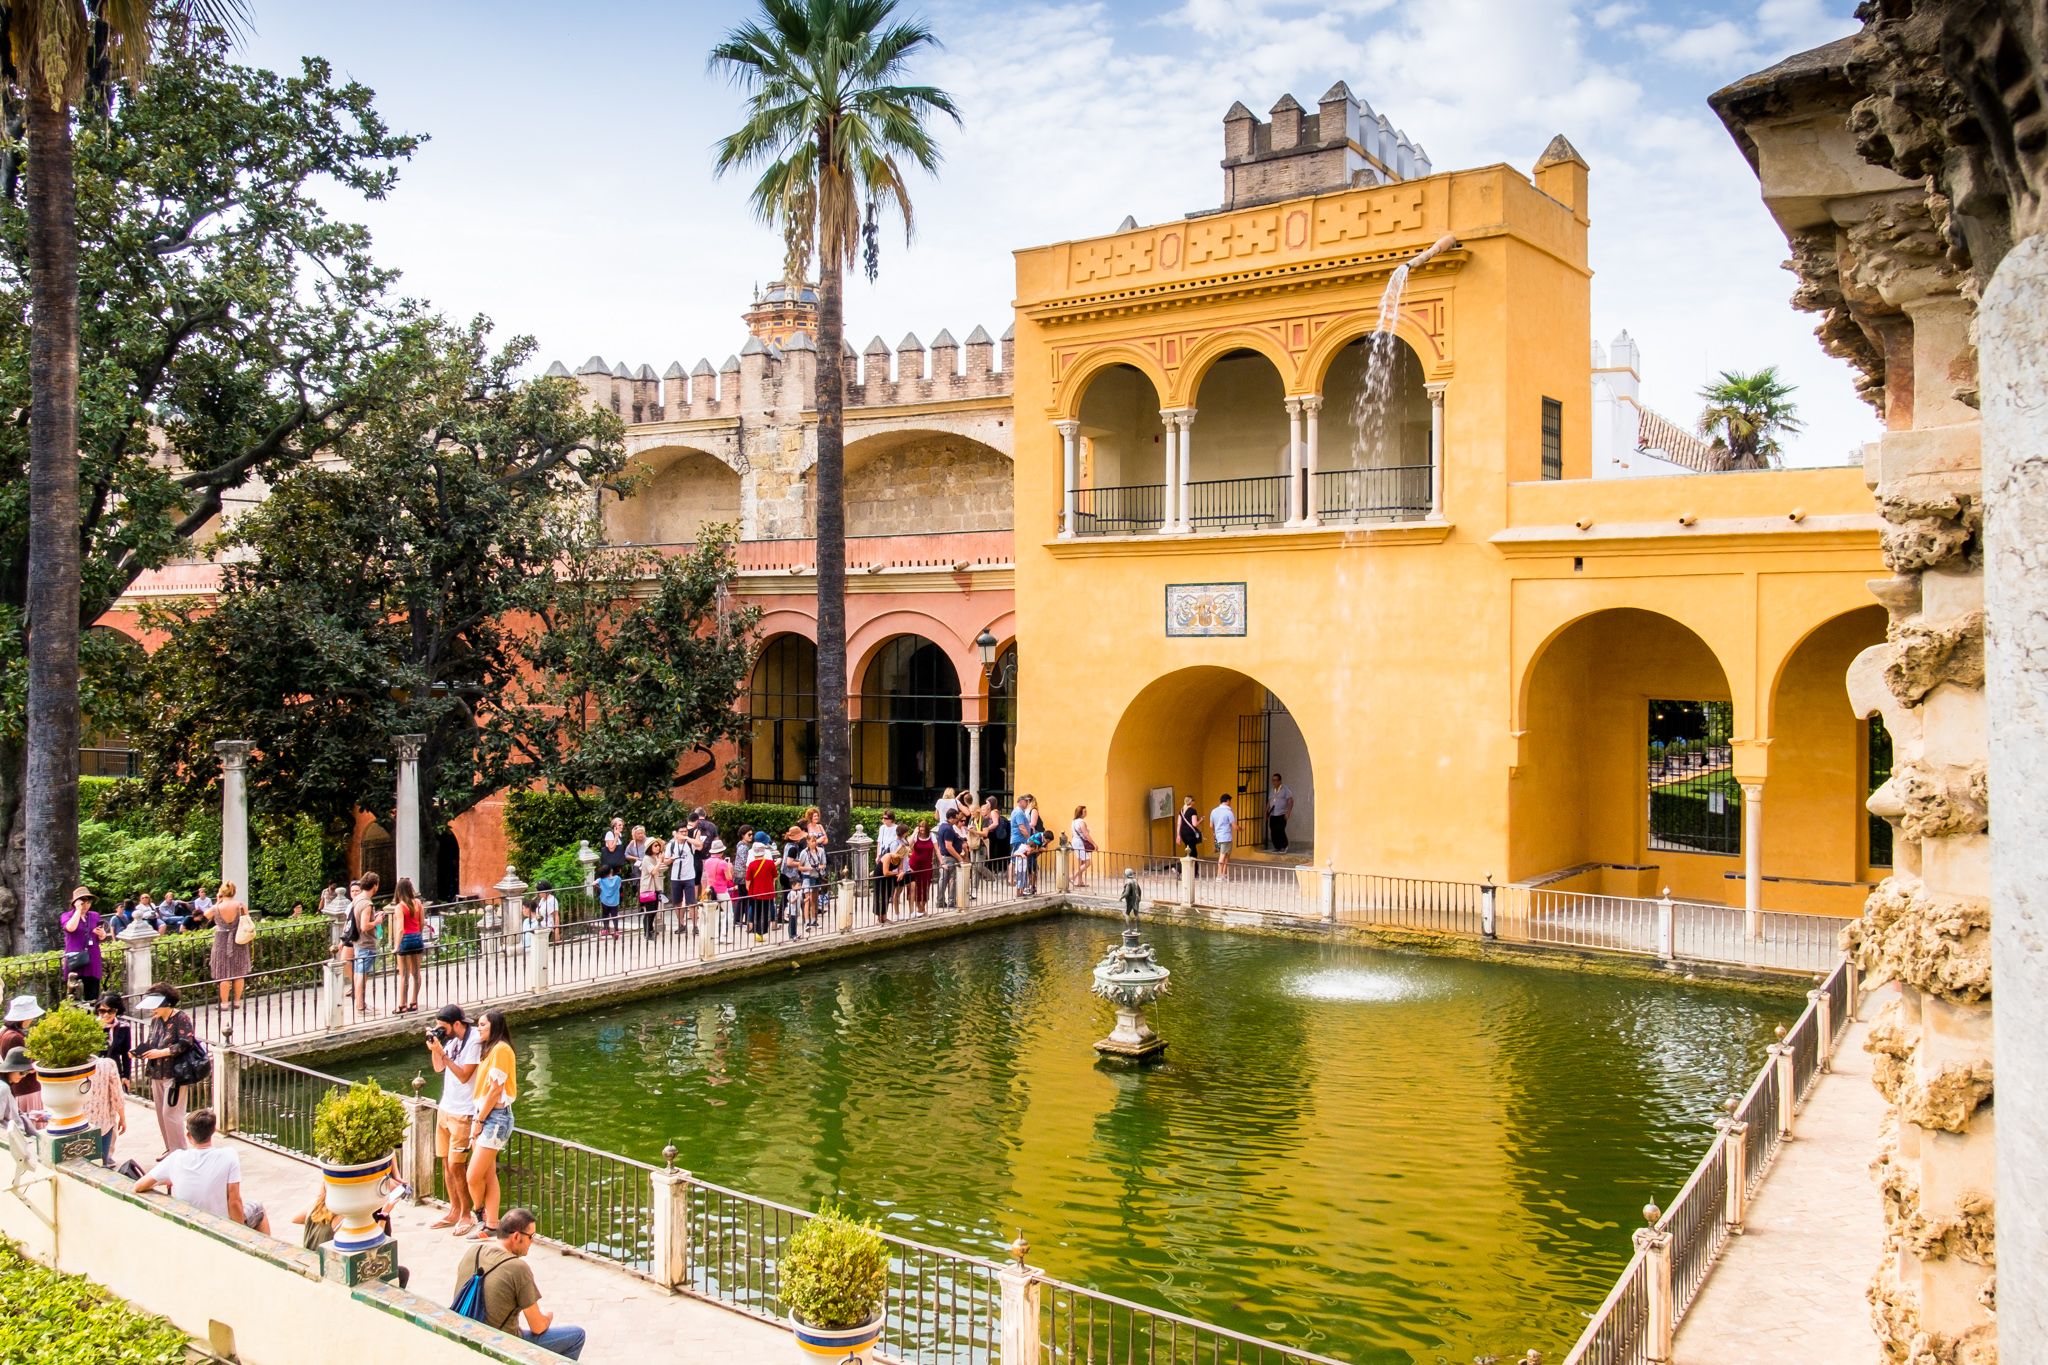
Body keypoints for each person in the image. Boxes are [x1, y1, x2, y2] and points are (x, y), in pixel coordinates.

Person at [452, 1208, 585, 1358]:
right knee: (577, 1336)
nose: (532, 1242)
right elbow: (538, 1327)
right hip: (501, 1347)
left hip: (466, 1333)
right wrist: (548, 1317)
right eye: (531, 1236)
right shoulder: (517, 1268)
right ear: (516, 1236)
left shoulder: (474, 1251)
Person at [134, 1108, 270, 1233]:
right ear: (213, 1130)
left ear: (188, 1135)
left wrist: (167, 1179)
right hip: (221, 1226)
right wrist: (239, 1234)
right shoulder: (229, 1155)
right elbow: (234, 1200)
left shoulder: (175, 1158)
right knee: (258, 1208)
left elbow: (139, 1186)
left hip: (190, 1224)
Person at [426, 1004, 484, 1235]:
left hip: (464, 1111)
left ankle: (467, 1214)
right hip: (446, 1108)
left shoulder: (474, 1041)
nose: (440, 1031)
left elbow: (464, 1075)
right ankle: (454, 1209)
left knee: (456, 1165)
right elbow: (439, 1068)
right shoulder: (450, 1040)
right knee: (445, 1163)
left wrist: (442, 1053)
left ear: (456, 1024)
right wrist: (435, 1049)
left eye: (443, 1027)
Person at [465, 1009, 517, 1239]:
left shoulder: (501, 1050)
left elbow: (496, 1089)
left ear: (494, 1026)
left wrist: (479, 1120)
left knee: (473, 1175)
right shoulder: (490, 1050)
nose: (479, 1029)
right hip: (487, 1115)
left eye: (483, 1025)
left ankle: (480, 1215)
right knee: (487, 1175)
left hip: (494, 1118)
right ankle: (492, 1224)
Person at [138, 986, 197, 1154]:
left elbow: (186, 1043)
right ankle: (170, 1148)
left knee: (171, 1113)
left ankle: (179, 1151)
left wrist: (162, 1053)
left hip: (175, 1073)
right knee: (161, 1114)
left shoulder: (181, 1018)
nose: (152, 1008)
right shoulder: (156, 1020)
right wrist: (139, 1052)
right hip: (156, 1072)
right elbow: (152, 1042)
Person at [208, 880, 253, 1011]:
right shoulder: (240, 905)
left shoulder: (217, 907)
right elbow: (247, 919)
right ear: (234, 892)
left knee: (224, 973)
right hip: (238, 939)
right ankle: (237, 1001)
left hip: (221, 940)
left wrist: (218, 901)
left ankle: (224, 1003)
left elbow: (206, 915)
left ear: (222, 892)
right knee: (239, 972)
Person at [388, 877, 426, 1014]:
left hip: (405, 939)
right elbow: (422, 923)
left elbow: (400, 929)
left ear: (398, 891)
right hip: (417, 937)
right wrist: (417, 934)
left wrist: (396, 946)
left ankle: (401, 1004)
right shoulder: (418, 903)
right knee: (416, 973)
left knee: (404, 974)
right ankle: (414, 1002)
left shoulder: (399, 907)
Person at [0, 997, 44, 1113]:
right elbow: (24, 1066)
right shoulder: (15, 1037)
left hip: (21, 1089)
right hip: (26, 1090)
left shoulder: (5, 1033)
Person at [61, 887, 105, 1002]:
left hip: (92, 957)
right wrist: (78, 911)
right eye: (83, 902)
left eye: (88, 902)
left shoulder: (94, 915)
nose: (86, 905)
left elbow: (99, 935)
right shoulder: (67, 916)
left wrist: (101, 934)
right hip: (76, 959)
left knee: (93, 994)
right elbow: (70, 928)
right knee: (75, 993)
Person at [350, 873, 382, 1014]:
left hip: (358, 942)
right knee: (362, 975)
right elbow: (364, 926)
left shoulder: (357, 900)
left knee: (358, 973)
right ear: (375, 885)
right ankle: (361, 1007)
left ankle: (361, 1004)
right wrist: (376, 922)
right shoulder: (367, 903)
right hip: (366, 943)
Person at [743, 833, 778, 941]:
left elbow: (748, 880)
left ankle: (756, 931)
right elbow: (775, 877)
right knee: (766, 911)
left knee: (756, 911)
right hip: (767, 891)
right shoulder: (770, 863)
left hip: (755, 892)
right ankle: (762, 931)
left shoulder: (752, 865)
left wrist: (749, 889)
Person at [935, 809, 967, 910]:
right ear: (952, 817)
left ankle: (940, 901)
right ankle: (951, 901)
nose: (957, 820)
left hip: (944, 857)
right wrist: (959, 858)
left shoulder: (942, 826)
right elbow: (948, 846)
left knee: (943, 880)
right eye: (957, 818)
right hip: (950, 858)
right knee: (952, 880)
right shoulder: (948, 829)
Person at [97, 992, 134, 1081]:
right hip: (95, 1072)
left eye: (111, 1011)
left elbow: (126, 1053)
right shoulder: (91, 1027)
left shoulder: (123, 1027)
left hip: (114, 1071)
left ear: (117, 1011)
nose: (106, 1015)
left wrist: (126, 1076)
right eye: (102, 1011)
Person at [905, 821, 936, 916]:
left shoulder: (932, 835)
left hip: (927, 865)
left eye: (923, 829)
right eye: (920, 828)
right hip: (915, 865)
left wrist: (942, 862)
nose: (921, 831)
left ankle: (922, 908)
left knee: (925, 886)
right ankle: (918, 909)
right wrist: (914, 833)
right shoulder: (916, 835)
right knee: (915, 887)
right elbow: (908, 845)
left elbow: (937, 850)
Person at [637, 838, 665, 940]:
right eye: (655, 846)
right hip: (648, 888)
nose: (658, 848)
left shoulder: (654, 857)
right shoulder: (647, 858)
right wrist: (659, 862)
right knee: (649, 912)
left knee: (654, 910)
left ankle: (651, 929)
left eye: (658, 846)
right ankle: (647, 932)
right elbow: (653, 871)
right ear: (650, 848)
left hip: (655, 887)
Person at [1210, 793, 1237, 880]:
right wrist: (1241, 829)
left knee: (1225, 855)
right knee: (1223, 856)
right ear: (1228, 801)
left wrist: (1214, 833)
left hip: (1218, 837)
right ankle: (1219, 875)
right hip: (1226, 837)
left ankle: (1224, 874)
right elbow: (1234, 826)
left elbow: (1211, 825)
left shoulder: (1213, 811)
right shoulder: (1228, 812)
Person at [527, 881, 561, 947]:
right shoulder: (542, 900)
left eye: (540, 891)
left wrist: (557, 931)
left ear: (547, 891)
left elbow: (556, 916)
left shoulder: (552, 900)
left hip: (547, 927)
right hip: (540, 925)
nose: (539, 893)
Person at [1268, 773, 1295, 854]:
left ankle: (1284, 846)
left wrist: (1288, 812)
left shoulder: (1285, 789)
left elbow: (1290, 801)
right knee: (1273, 831)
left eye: (1276, 780)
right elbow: (1269, 801)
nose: (1274, 782)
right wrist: (1266, 812)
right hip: (1273, 814)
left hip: (1281, 813)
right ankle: (1277, 847)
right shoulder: (1272, 790)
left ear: (1280, 781)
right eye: (1273, 780)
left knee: (1280, 830)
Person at [1071, 805, 1096, 888]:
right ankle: (1072, 877)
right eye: (1084, 811)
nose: (1086, 813)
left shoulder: (1073, 822)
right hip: (1080, 843)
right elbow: (1086, 834)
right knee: (1088, 862)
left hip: (1075, 841)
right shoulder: (1081, 822)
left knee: (1081, 862)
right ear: (1080, 813)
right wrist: (1094, 844)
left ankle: (1079, 881)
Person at [595, 864, 623, 939]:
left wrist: (597, 886)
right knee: (615, 916)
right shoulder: (617, 878)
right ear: (611, 871)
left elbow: (594, 883)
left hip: (605, 901)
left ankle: (606, 929)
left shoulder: (601, 880)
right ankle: (616, 930)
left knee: (605, 915)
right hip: (614, 901)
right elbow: (620, 886)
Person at [1176, 796, 1203, 860]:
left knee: (1189, 849)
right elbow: (1194, 824)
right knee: (1192, 851)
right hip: (1190, 833)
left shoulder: (1181, 811)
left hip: (1183, 833)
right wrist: (1201, 820)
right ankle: (1182, 868)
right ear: (1192, 802)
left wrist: (1178, 835)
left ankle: (1192, 868)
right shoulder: (1193, 811)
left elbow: (1179, 824)